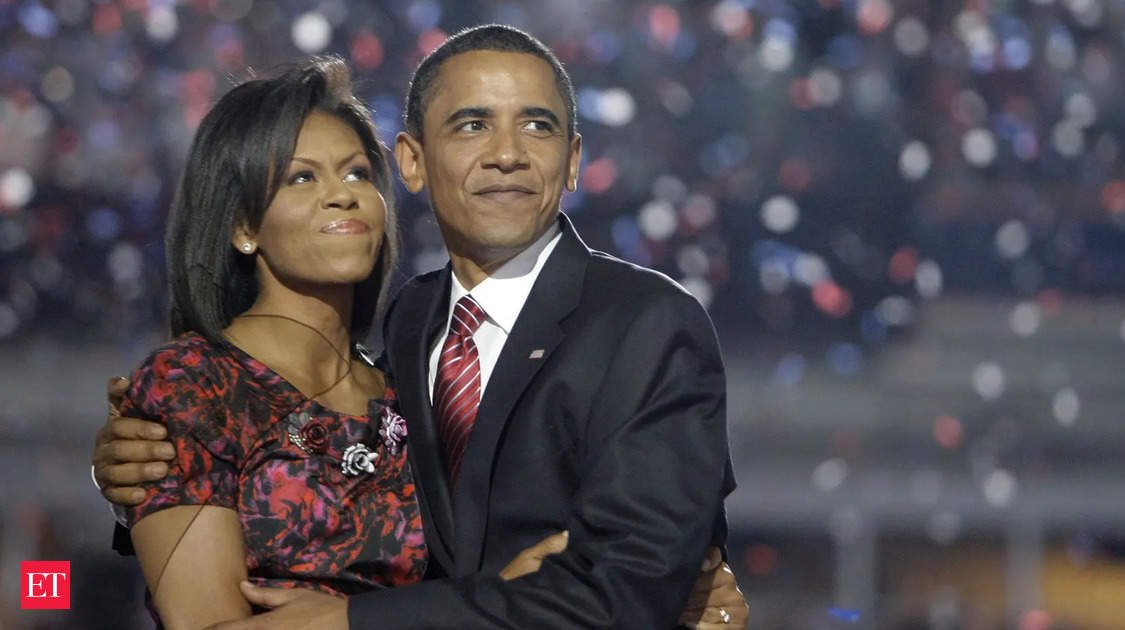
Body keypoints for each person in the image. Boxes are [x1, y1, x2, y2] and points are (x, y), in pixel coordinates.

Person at [96, 24, 744, 629]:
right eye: (472, 125)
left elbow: (625, 590)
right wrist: (151, 471)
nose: (508, 155)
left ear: (573, 161)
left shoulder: (647, 326)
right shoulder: (412, 328)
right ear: (412, 162)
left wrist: (346, 621)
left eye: (538, 127)